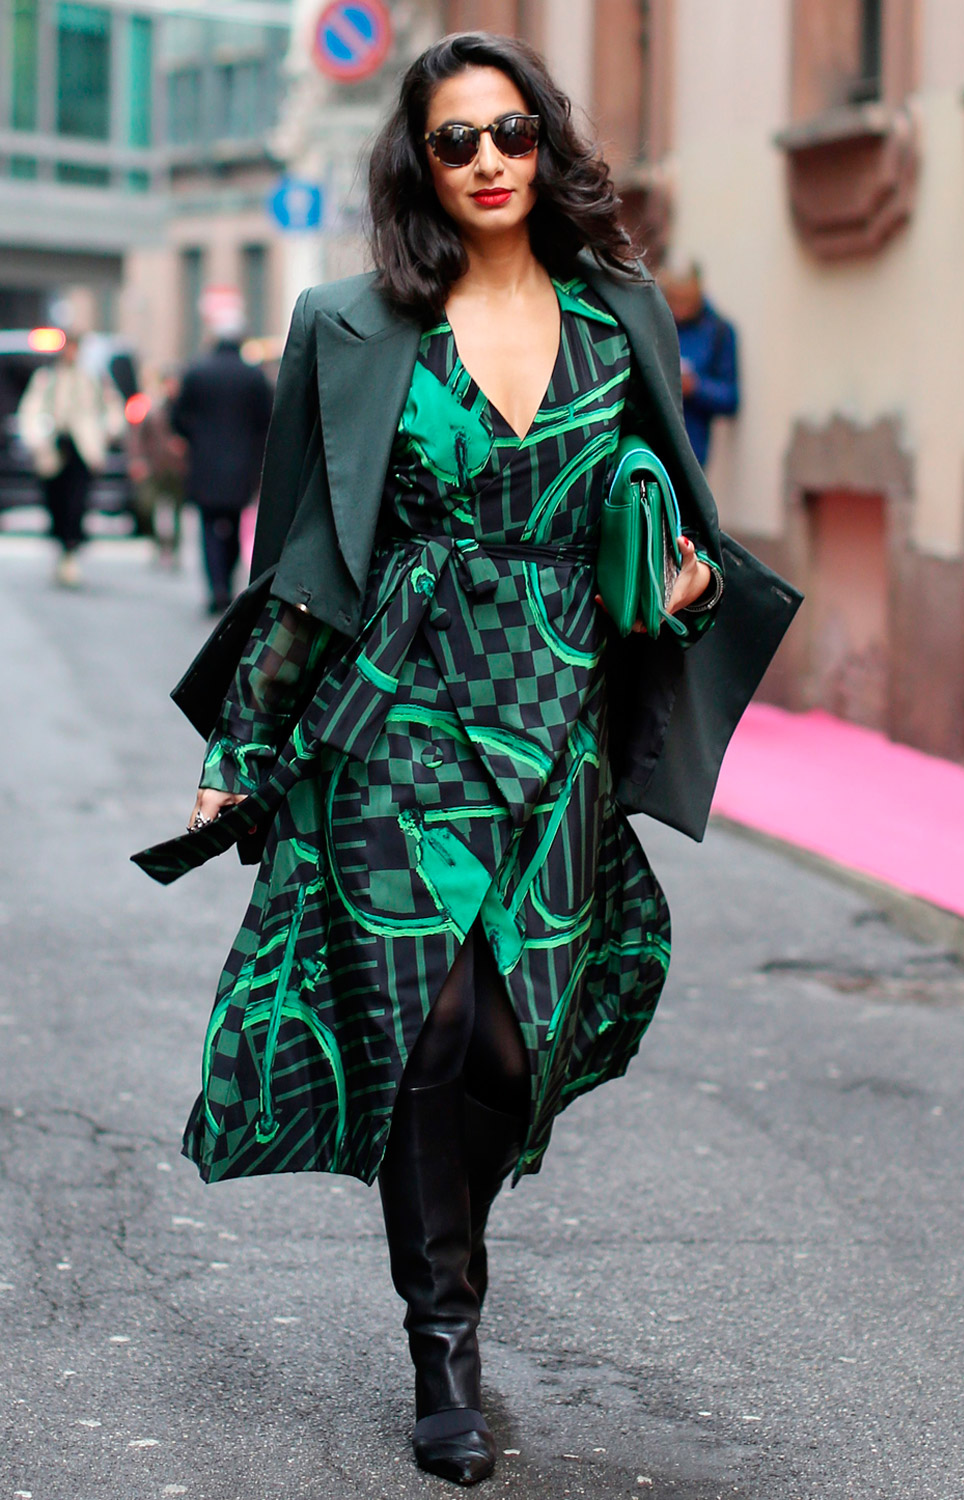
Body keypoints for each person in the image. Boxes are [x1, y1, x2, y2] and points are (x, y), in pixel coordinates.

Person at [134, 31, 797, 1488]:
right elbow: (301, 558)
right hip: (398, 720)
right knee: (427, 1036)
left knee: (511, 1039)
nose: (488, 160)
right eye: (456, 140)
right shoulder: (351, 323)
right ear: (418, 164)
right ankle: (445, 1346)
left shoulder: (621, 317)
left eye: (510, 133)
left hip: (555, 721)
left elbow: (679, 522)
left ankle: (451, 1239)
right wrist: (245, 739)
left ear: (542, 146)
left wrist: (680, 585)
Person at [171, 326, 272, 613]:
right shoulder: (253, 377)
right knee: (235, 525)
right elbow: (267, 420)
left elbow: (177, 416)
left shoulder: (197, 372)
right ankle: (227, 582)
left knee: (208, 529)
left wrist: (194, 438)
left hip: (204, 465)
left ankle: (216, 587)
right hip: (242, 467)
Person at [17, 332, 124, 587]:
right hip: (54, 447)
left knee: (77, 502)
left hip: (83, 449)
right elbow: (32, 409)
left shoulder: (93, 378)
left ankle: (71, 548)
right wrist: (35, 437)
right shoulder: (47, 378)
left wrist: (107, 433)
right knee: (56, 501)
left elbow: (111, 408)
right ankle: (63, 544)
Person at [658, 261, 740, 468]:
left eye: (686, 300)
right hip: (653, 441)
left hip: (692, 449)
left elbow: (730, 398)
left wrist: (695, 387)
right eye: (674, 300)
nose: (680, 309)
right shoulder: (656, 325)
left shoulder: (718, 331)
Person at [128, 370, 187, 567]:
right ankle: (157, 543)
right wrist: (138, 460)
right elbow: (138, 436)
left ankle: (173, 548)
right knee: (147, 505)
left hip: (178, 468)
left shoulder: (185, 410)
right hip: (155, 466)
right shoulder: (154, 409)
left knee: (177, 511)